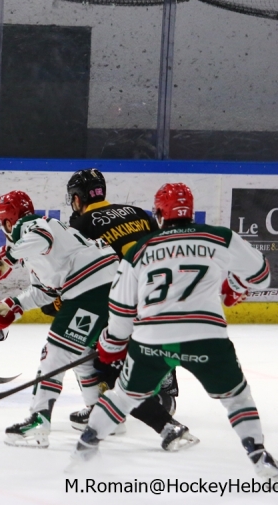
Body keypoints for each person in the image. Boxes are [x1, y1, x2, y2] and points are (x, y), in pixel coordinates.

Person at [72, 183, 278, 478]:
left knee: (123, 395)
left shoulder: (139, 250)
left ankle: (84, 450)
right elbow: (261, 275)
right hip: (206, 337)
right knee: (237, 398)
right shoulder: (219, 237)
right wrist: (235, 286)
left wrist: (112, 343)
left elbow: (121, 308)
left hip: (151, 338)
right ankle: (258, 455)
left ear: (159, 214)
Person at [64, 168, 195, 450]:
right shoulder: (137, 212)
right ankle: (166, 390)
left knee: (92, 348)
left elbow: (83, 278)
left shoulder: (81, 226)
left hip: (122, 299)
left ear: (77, 198)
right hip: (162, 299)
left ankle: (104, 405)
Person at [0, 190, 119, 448]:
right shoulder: (32, 246)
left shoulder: (31, 227)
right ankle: (99, 414)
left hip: (92, 289)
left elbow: (41, 237)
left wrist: (6, 258)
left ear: (9, 220)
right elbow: (45, 291)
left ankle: (39, 419)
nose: (3, 228)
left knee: (54, 352)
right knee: (77, 351)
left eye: (2, 222)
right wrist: (12, 307)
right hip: (105, 287)